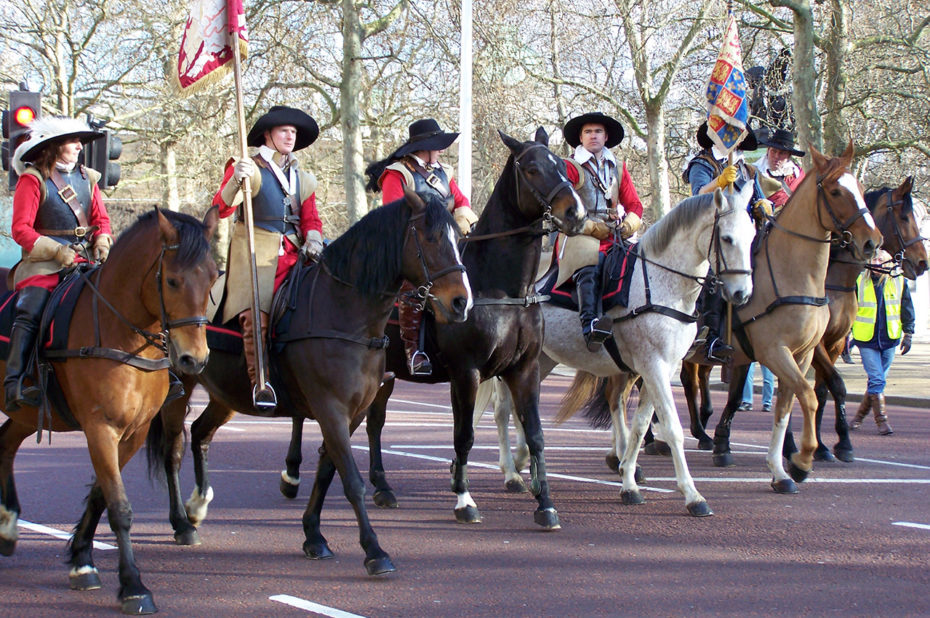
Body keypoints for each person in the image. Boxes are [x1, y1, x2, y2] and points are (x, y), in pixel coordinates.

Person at [213, 105, 323, 411]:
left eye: (293, 132)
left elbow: (312, 218)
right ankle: (259, 384)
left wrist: (314, 237)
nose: (290, 136)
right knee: (255, 317)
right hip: (255, 252)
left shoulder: (304, 177)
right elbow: (221, 209)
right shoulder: (247, 166)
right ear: (268, 135)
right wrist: (236, 179)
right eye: (284, 131)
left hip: (298, 252)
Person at [5, 116, 114, 411]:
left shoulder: (88, 177)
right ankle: (14, 383)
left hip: (86, 258)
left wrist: (102, 240)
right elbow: (21, 230)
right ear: (54, 146)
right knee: (31, 309)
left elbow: (101, 219)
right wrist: (56, 251)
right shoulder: (33, 179)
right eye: (73, 141)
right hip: (44, 262)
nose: (80, 146)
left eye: (80, 141)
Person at [365, 118, 478, 375]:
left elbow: (461, 202)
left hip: (441, 242)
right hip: (409, 244)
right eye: (437, 146)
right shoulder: (398, 173)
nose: (440, 151)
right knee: (411, 284)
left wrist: (461, 221)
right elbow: (395, 214)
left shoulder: (443, 172)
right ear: (424, 148)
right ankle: (412, 350)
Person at [554, 112, 643, 351]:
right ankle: (589, 325)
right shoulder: (569, 167)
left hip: (614, 234)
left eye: (598, 132)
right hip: (578, 233)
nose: (593, 136)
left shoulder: (619, 168)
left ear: (606, 137)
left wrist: (627, 225)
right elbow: (563, 211)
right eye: (588, 132)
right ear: (580, 138)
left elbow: (634, 205)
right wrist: (593, 228)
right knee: (591, 261)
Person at [683, 121, 771, 362]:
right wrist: (719, 182)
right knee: (716, 271)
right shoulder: (702, 163)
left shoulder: (748, 170)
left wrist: (763, 205)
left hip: (744, 234)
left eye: (737, 135)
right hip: (710, 233)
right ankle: (711, 335)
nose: (734, 138)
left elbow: (758, 199)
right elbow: (698, 195)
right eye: (728, 134)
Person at [850, 250, 915, 435]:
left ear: (888, 263)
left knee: (876, 382)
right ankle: (882, 422)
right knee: (877, 379)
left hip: (890, 339)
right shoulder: (859, 280)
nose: (877, 262)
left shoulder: (899, 280)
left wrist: (908, 334)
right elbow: (850, 308)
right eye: (874, 258)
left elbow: (906, 308)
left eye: (881, 259)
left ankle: (857, 419)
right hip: (865, 339)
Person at [753, 128, 805, 215]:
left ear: (788, 155)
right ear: (768, 150)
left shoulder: (798, 175)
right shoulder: (753, 172)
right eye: (774, 151)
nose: (776, 156)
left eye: (782, 153)